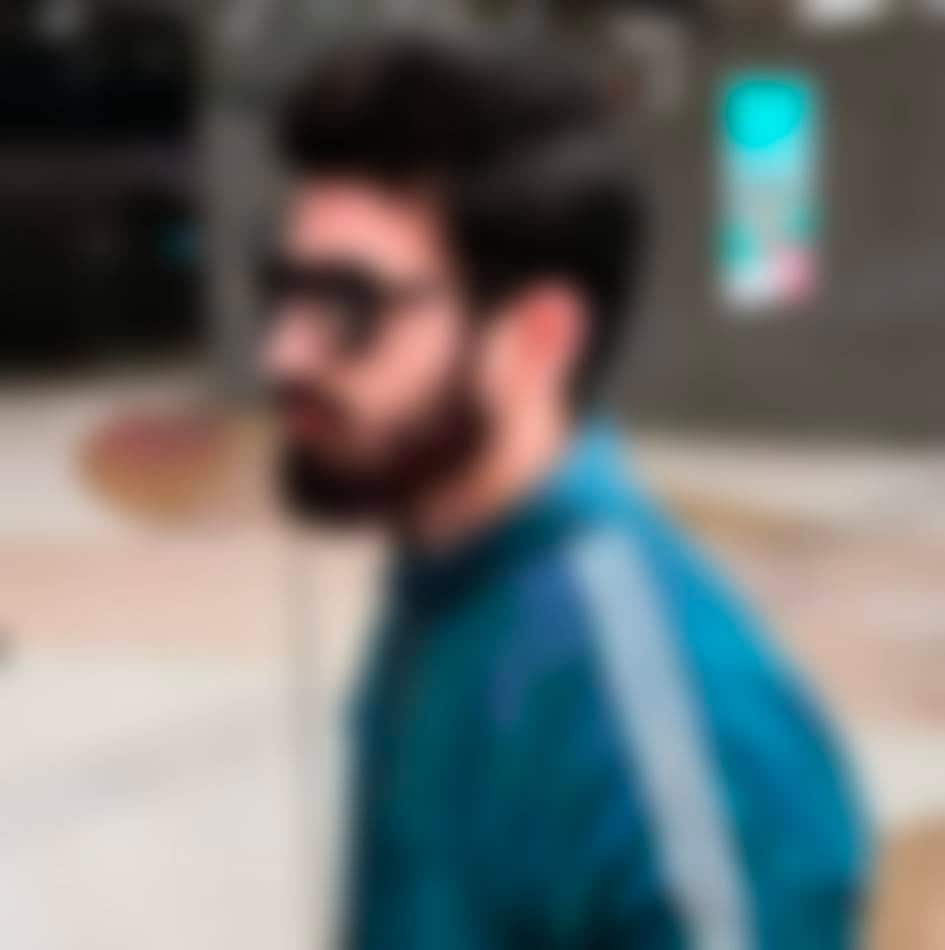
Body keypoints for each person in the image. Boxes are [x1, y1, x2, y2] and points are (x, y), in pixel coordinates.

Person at [260, 31, 870, 949]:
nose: (284, 354)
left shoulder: (672, 731)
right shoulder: (443, 584)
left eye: (349, 305)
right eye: (282, 290)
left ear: (538, 338)